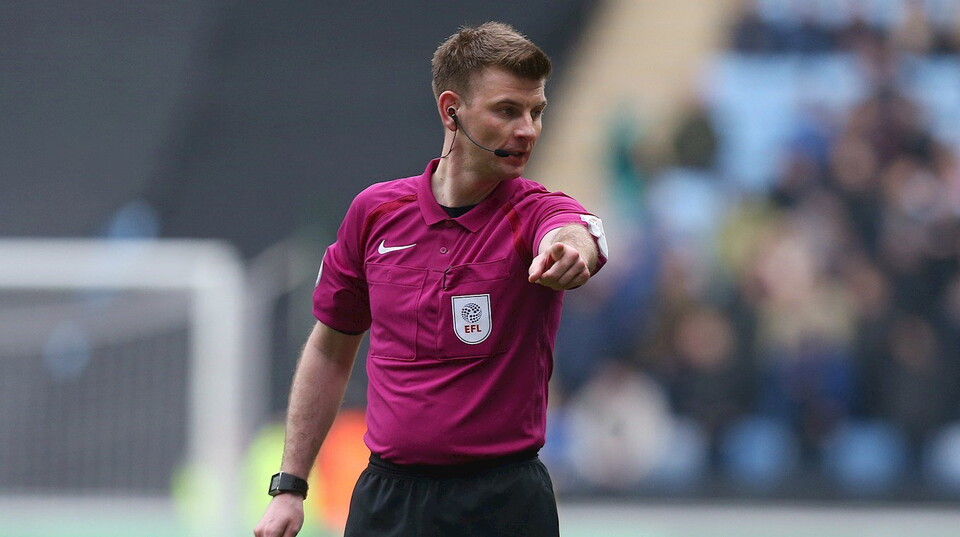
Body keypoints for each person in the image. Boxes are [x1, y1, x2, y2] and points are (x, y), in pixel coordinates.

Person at [254, 21, 608, 537]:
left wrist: (572, 251)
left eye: (536, 112)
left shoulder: (536, 211)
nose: (528, 129)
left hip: (504, 502)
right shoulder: (375, 213)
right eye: (507, 110)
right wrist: (290, 486)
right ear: (451, 111)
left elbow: (576, 231)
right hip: (388, 500)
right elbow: (330, 350)